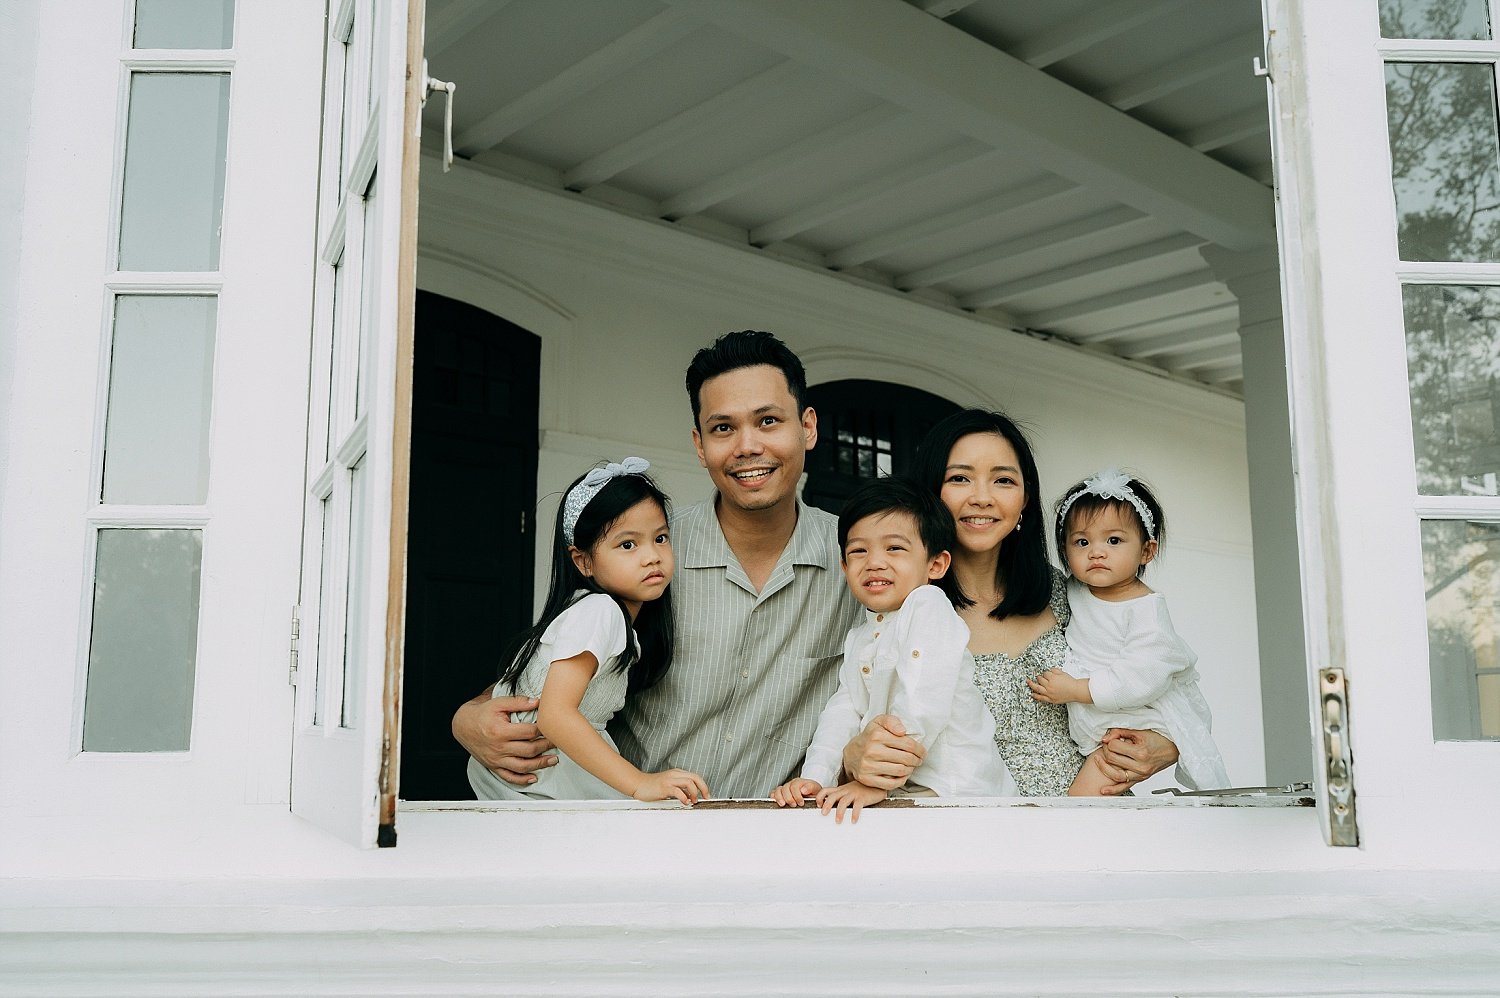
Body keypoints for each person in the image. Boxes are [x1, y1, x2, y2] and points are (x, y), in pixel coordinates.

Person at [453, 331, 862, 798]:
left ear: (807, 426)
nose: (747, 446)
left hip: (762, 840)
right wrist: (467, 718)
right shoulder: (646, 553)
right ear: (699, 443)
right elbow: (551, 665)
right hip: (627, 833)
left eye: (768, 420)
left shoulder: (859, 560)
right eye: (723, 428)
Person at [842, 410, 1181, 796]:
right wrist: (849, 758)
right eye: (959, 478)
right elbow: (855, 714)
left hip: (1093, 823)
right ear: (929, 492)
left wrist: (1167, 745)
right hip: (974, 835)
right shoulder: (900, 610)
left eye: (1003, 480)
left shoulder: (1070, 593)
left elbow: (1164, 673)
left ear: (1025, 499)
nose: (982, 497)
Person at [466, 458, 709, 805]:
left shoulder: (604, 616)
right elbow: (555, 715)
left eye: (660, 538)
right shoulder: (600, 611)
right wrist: (640, 782)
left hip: (544, 772)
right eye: (628, 544)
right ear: (583, 562)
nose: (652, 556)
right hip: (540, 775)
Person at [772, 478, 1015, 822]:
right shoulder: (859, 636)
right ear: (844, 566)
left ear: (936, 565)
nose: (874, 562)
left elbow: (922, 698)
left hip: (962, 793)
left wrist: (877, 780)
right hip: (905, 794)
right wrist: (814, 777)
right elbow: (843, 712)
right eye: (859, 551)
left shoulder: (928, 606)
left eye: (894, 549)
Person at [1028, 468, 1228, 795]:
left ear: (1146, 551)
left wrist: (1076, 690)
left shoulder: (1146, 611)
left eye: (1114, 540)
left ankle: (1067, 837)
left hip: (1139, 715)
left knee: (1091, 788)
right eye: (1081, 541)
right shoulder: (1075, 589)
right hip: (1103, 710)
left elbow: (1142, 677)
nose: (1096, 551)